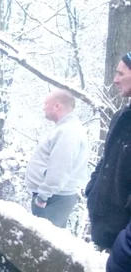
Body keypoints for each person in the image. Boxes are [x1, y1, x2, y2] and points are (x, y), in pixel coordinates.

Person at [23, 89, 89, 228]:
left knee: (39, 243)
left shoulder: (68, 132)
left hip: (53, 198)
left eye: (46, 103)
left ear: (57, 106)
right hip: (53, 196)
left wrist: (43, 196)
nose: (43, 107)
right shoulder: (65, 129)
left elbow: (60, 168)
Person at [86, 52, 131, 251]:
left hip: (123, 241)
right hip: (102, 231)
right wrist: (92, 190)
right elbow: (106, 160)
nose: (115, 80)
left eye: (121, 74)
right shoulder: (121, 116)